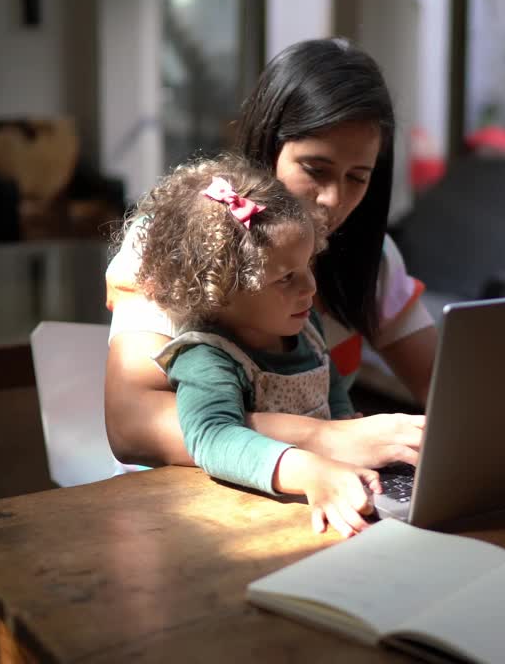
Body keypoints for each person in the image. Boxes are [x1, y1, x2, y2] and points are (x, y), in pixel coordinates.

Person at [104, 38, 437, 473]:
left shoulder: (372, 258)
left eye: (358, 178)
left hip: (313, 496)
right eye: (315, 170)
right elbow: (132, 425)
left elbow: (451, 393)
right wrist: (323, 438)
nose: (333, 199)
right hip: (175, 505)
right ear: (267, 146)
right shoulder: (173, 239)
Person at [133, 155, 380, 536]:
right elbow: (211, 437)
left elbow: (328, 381)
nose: (310, 288)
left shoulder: (304, 325)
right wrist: (308, 470)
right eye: (286, 278)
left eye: (308, 266)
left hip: (321, 495)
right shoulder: (206, 357)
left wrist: (344, 421)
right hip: (233, 521)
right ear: (221, 289)